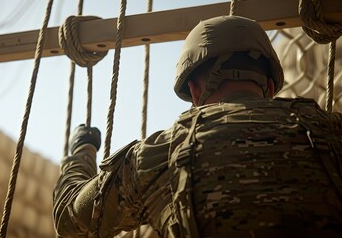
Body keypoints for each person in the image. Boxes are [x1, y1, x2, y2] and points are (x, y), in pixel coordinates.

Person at [53, 16, 342, 237]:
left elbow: (71, 219)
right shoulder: (330, 133)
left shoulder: (159, 156)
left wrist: (83, 150)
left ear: (193, 92)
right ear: (269, 85)